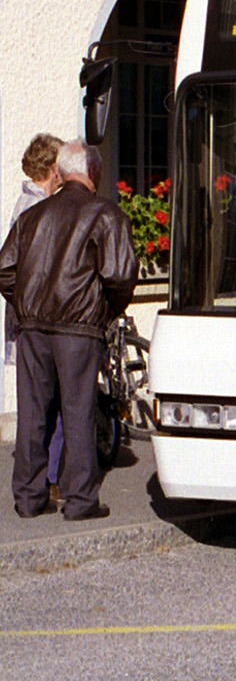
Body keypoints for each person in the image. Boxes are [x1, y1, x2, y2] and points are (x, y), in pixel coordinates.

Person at [0, 140, 137, 520]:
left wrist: (27, 303)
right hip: (77, 327)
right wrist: (104, 314)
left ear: (60, 172)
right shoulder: (105, 215)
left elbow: (6, 270)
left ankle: (28, 498)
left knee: (32, 412)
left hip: (34, 327)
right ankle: (80, 500)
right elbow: (121, 276)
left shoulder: (32, 216)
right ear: (93, 172)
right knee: (77, 411)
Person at [4, 134, 65, 501]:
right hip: (39, 321)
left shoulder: (28, 204)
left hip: (28, 319)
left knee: (40, 402)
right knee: (48, 401)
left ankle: (41, 479)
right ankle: (48, 478)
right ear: (52, 168)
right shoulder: (34, 208)